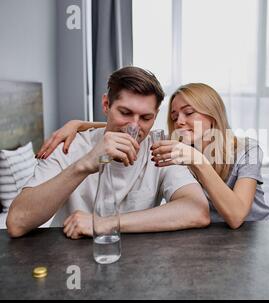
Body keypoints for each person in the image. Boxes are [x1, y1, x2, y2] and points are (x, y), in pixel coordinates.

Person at [7, 67, 210, 238]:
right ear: (106, 105)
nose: (134, 127)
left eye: (146, 118)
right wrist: (84, 165)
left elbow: (198, 211)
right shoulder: (67, 145)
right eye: (125, 113)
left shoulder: (160, 149)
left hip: (139, 266)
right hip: (70, 259)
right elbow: (17, 223)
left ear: (155, 116)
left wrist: (106, 223)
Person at [36, 83, 269, 229]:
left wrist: (197, 160)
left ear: (213, 115)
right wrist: (78, 124)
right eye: (174, 115)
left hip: (256, 235)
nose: (179, 121)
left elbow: (236, 216)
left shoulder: (246, 150)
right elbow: (133, 127)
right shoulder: (172, 144)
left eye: (189, 113)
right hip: (208, 238)